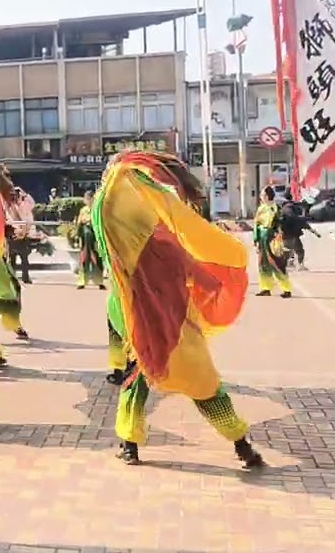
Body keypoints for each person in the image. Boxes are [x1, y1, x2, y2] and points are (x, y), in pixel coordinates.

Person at [95, 152, 264, 469]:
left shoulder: (120, 234)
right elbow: (196, 271)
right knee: (202, 382)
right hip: (169, 321)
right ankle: (242, 445)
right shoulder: (152, 234)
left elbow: (111, 202)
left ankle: (129, 444)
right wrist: (215, 282)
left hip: (139, 316)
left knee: (138, 378)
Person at [252, 186, 292, 298]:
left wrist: (279, 236)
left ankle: (286, 289)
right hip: (262, 238)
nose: (261, 196)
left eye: (262, 194)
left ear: (267, 196)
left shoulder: (275, 208)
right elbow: (256, 224)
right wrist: (256, 239)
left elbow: (280, 224)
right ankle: (265, 288)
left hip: (272, 238)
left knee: (277, 264)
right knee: (262, 264)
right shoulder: (261, 209)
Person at [278, 191, 320, 271]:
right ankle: (300, 265)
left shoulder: (282, 209)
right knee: (299, 250)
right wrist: (312, 230)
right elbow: (299, 221)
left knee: (286, 250)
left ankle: (286, 264)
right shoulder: (294, 209)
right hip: (293, 234)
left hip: (285, 234)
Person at [74, 190, 105, 290]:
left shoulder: (97, 210)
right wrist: (77, 237)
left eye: (89, 198)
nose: (87, 200)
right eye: (86, 198)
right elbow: (79, 223)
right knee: (84, 259)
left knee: (97, 259)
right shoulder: (83, 210)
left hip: (95, 237)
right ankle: (82, 281)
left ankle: (99, 281)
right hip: (85, 237)